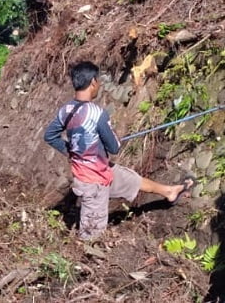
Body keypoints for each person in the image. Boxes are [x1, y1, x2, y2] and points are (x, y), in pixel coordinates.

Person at [44, 61, 194, 241]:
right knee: (91, 235)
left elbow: (50, 136)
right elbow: (114, 147)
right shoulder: (97, 113)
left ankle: (169, 192)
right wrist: (111, 137)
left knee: (132, 180)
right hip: (94, 183)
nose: (99, 84)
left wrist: (72, 151)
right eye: (98, 80)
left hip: (100, 170)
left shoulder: (65, 111)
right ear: (93, 82)